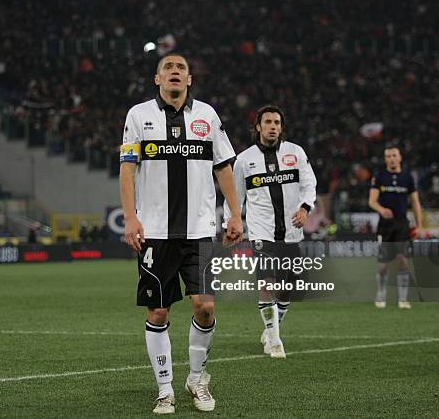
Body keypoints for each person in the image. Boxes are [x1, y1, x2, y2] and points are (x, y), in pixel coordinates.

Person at [119, 53, 243, 414]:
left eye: (181, 69)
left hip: (200, 230)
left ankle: (197, 378)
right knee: (158, 312)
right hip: (155, 232)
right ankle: (164, 388)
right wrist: (131, 218)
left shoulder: (207, 115)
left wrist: (235, 214)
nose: (175, 72)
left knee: (205, 306)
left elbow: (224, 167)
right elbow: (127, 170)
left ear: (189, 79)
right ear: (157, 79)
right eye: (168, 69)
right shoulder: (138, 115)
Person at [225, 105, 317, 359]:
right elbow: (234, 197)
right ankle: (274, 337)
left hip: (291, 231)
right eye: (268, 122)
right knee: (267, 281)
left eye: (277, 122)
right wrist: (231, 222)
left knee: (288, 288)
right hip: (261, 231)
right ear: (258, 126)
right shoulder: (244, 159)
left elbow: (310, 183)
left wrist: (305, 208)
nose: (273, 126)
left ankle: (272, 328)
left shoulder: (295, 153)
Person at [368, 145, 423, 309]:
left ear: (400, 157)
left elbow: (415, 202)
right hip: (385, 226)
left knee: (402, 261)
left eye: (394, 155)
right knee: (383, 264)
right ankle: (381, 294)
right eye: (388, 156)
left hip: (402, 224)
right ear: (385, 159)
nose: (391, 158)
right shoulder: (379, 177)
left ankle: (403, 299)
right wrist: (381, 210)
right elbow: (371, 201)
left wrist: (419, 226)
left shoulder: (407, 177)